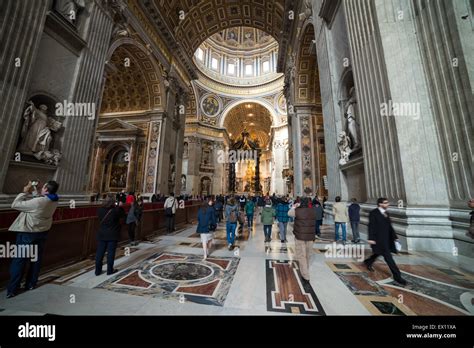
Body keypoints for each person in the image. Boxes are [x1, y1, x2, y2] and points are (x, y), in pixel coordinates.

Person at [6, 180, 59, 298]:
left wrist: (24, 192)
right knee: (35, 260)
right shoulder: (54, 200)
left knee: (19, 261)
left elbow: (15, 204)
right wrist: (35, 190)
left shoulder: (39, 202)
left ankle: (12, 289)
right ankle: (30, 284)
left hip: (28, 234)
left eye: (43, 187)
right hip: (41, 233)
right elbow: (39, 200)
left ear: (45, 189)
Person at [363, 198, 407, 285]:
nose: (388, 204)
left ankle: (368, 261)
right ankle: (397, 276)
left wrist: (395, 237)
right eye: (385, 203)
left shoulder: (386, 213)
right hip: (378, 239)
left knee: (378, 253)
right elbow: (371, 226)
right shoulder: (373, 213)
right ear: (380, 204)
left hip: (387, 239)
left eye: (387, 202)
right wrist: (371, 238)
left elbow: (390, 227)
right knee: (389, 258)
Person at [95, 195, 126, 276]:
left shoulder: (100, 210)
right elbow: (123, 215)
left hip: (102, 234)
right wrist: (120, 207)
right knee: (110, 253)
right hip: (112, 234)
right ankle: (109, 270)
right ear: (112, 202)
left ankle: (97, 271)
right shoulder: (115, 210)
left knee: (99, 253)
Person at [288, 197, 316, 285]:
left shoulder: (297, 211)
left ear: (300, 203)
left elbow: (289, 213)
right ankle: (305, 270)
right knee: (308, 254)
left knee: (301, 255)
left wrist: (294, 206)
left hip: (300, 236)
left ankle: (306, 276)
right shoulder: (313, 211)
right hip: (310, 236)